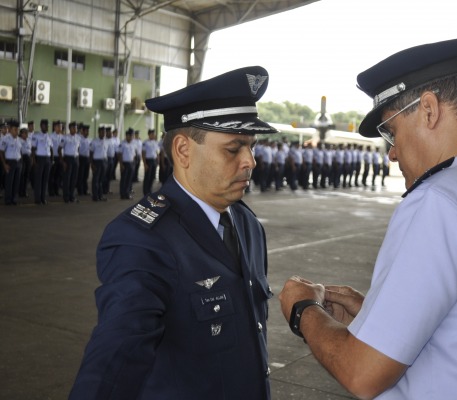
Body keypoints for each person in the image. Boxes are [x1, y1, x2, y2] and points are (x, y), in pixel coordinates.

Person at [278, 37, 457, 399]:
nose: (393, 153)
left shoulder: (441, 200)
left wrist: (303, 309)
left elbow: (362, 374)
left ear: (428, 109)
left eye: (392, 132)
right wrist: (378, 319)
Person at [70, 66, 278, 400]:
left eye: (251, 147)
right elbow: (115, 357)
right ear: (183, 150)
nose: (249, 161)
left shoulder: (246, 223)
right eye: (233, 148)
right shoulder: (142, 239)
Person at [1, 120, 23, 205]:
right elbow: (1, 152)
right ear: (10, 130)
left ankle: (14, 198)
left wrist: (21, 162)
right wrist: (4, 164)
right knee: (9, 182)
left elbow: (20, 151)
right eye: (15, 129)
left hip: (18, 162)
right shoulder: (6, 139)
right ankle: (8, 199)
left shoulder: (19, 139)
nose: (17, 131)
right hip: (9, 162)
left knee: (16, 182)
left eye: (17, 130)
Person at [141, 128, 160, 195]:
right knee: (147, 177)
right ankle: (145, 191)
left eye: (153, 134)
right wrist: (145, 164)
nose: (153, 135)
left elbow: (157, 152)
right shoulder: (145, 143)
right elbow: (143, 154)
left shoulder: (155, 142)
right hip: (148, 161)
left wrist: (158, 160)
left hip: (154, 161)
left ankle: (149, 190)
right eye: (152, 134)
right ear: (149, 135)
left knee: (152, 177)